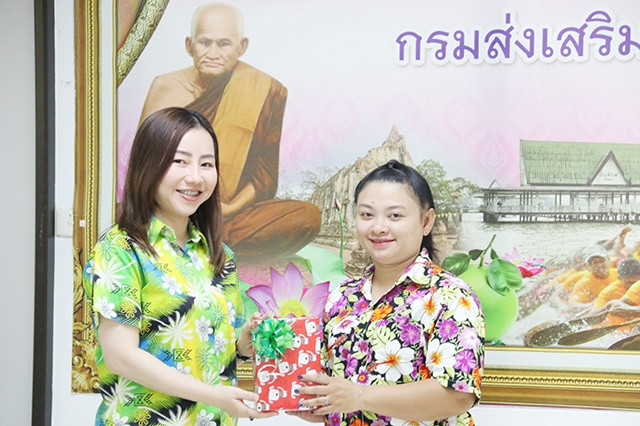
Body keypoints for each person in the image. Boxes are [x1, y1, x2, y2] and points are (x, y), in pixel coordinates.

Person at [83, 107, 275, 425]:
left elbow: (225, 355)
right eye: (180, 161)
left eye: (206, 164)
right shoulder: (120, 249)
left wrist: (245, 342)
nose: (195, 177)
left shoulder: (221, 256)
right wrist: (214, 396)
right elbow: (121, 357)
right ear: (149, 165)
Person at [294, 160, 485, 425]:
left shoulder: (450, 296)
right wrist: (320, 405)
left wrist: (359, 396)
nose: (378, 227)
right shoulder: (341, 298)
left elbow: (457, 395)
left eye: (395, 216)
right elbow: (337, 392)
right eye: (367, 215)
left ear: (426, 221)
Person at [139, 2, 320, 261]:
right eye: (205, 43)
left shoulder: (264, 89)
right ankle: (190, 235)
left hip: (228, 215)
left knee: (305, 217)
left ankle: (200, 237)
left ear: (241, 47)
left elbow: (264, 177)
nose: (213, 53)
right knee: (121, 214)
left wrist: (226, 208)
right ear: (190, 45)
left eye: (224, 44)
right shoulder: (165, 87)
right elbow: (144, 168)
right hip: (168, 208)